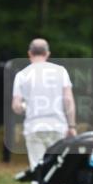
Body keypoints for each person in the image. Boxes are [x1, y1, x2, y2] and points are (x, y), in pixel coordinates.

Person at [11, 38, 76, 176]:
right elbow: (68, 100)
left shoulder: (22, 75)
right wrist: (72, 126)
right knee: (58, 168)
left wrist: (25, 106)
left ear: (30, 53)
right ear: (47, 53)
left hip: (34, 127)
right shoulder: (61, 71)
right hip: (58, 126)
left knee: (37, 168)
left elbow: (16, 106)